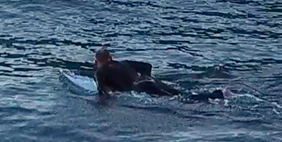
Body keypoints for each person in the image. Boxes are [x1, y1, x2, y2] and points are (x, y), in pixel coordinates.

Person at [93, 48, 226, 101]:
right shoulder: (123, 62)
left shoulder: (100, 72)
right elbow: (147, 66)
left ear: (97, 61)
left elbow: (102, 93)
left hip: (141, 88)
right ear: (110, 57)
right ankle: (219, 94)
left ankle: (216, 96)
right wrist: (145, 77)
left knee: (182, 99)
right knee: (180, 93)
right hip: (148, 81)